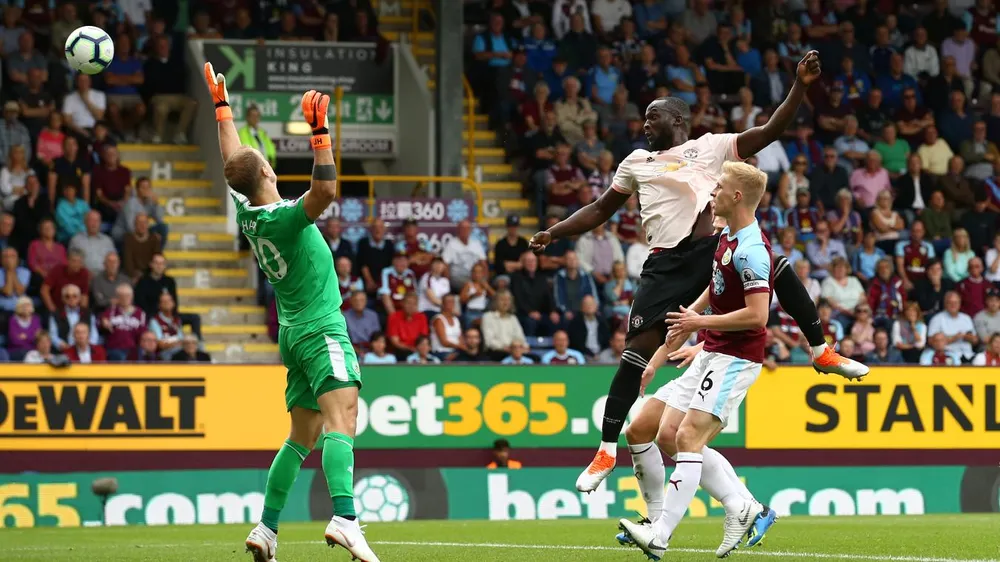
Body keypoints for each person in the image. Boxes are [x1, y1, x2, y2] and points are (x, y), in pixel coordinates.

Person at [529, 52, 867, 498]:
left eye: (653, 117)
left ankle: (821, 350)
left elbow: (768, 132)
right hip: (664, 267)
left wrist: (800, 87)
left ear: (678, 119)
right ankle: (607, 449)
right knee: (634, 357)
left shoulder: (710, 147)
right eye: (644, 119)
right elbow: (599, 209)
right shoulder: (634, 162)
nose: (645, 124)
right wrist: (554, 232)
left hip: (711, 248)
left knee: (776, 265)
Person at [204, 64, 379, 560]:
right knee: (343, 422)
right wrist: (320, 133)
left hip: (292, 333)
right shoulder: (282, 217)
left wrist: (223, 110)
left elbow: (231, 160)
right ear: (267, 171)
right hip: (321, 329)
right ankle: (345, 517)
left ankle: (266, 528)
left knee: (301, 438)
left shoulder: (247, 211)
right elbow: (325, 192)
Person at [618, 162, 775, 558]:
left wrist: (699, 322)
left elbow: (759, 316)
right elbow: (713, 291)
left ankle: (661, 535)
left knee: (686, 438)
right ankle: (743, 507)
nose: (713, 193)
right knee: (650, 429)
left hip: (736, 358)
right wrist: (668, 350)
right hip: (711, 350)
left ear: (737, 196)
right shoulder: (726, 236)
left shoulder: (753, 251)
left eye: (719, 187)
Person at [99, 283, 146, 362]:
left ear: (132, 297)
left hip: (134, 349)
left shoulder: (140, 313)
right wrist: (104, 323)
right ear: (117, 298)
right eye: (121, 296)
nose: (125, 298)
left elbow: (143, 334)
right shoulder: (110, 311)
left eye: (127, 295)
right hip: (114, 348)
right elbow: (101, 325)